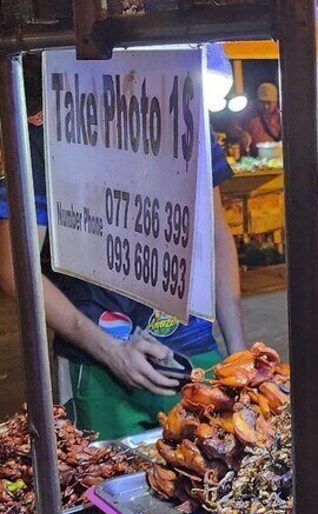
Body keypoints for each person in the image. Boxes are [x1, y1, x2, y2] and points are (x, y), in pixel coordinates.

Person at [0, 56, 246, 440]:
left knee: (214, 469)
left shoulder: (187, 118)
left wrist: (239, 353)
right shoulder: (45, 138)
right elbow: (16, 267)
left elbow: (214, 233)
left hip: (194, 348)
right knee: (105, 481)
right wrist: (109, 350)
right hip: (96, 358)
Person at [228, 82, 282, 156]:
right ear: (256, 100)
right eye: (262, 102)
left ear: (276, 101)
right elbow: (231, 127)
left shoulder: (282, 113)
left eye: (269, 102)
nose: (266, 106)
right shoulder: (247, 110)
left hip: (278, 158)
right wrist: (241, 134)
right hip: (254, 159)